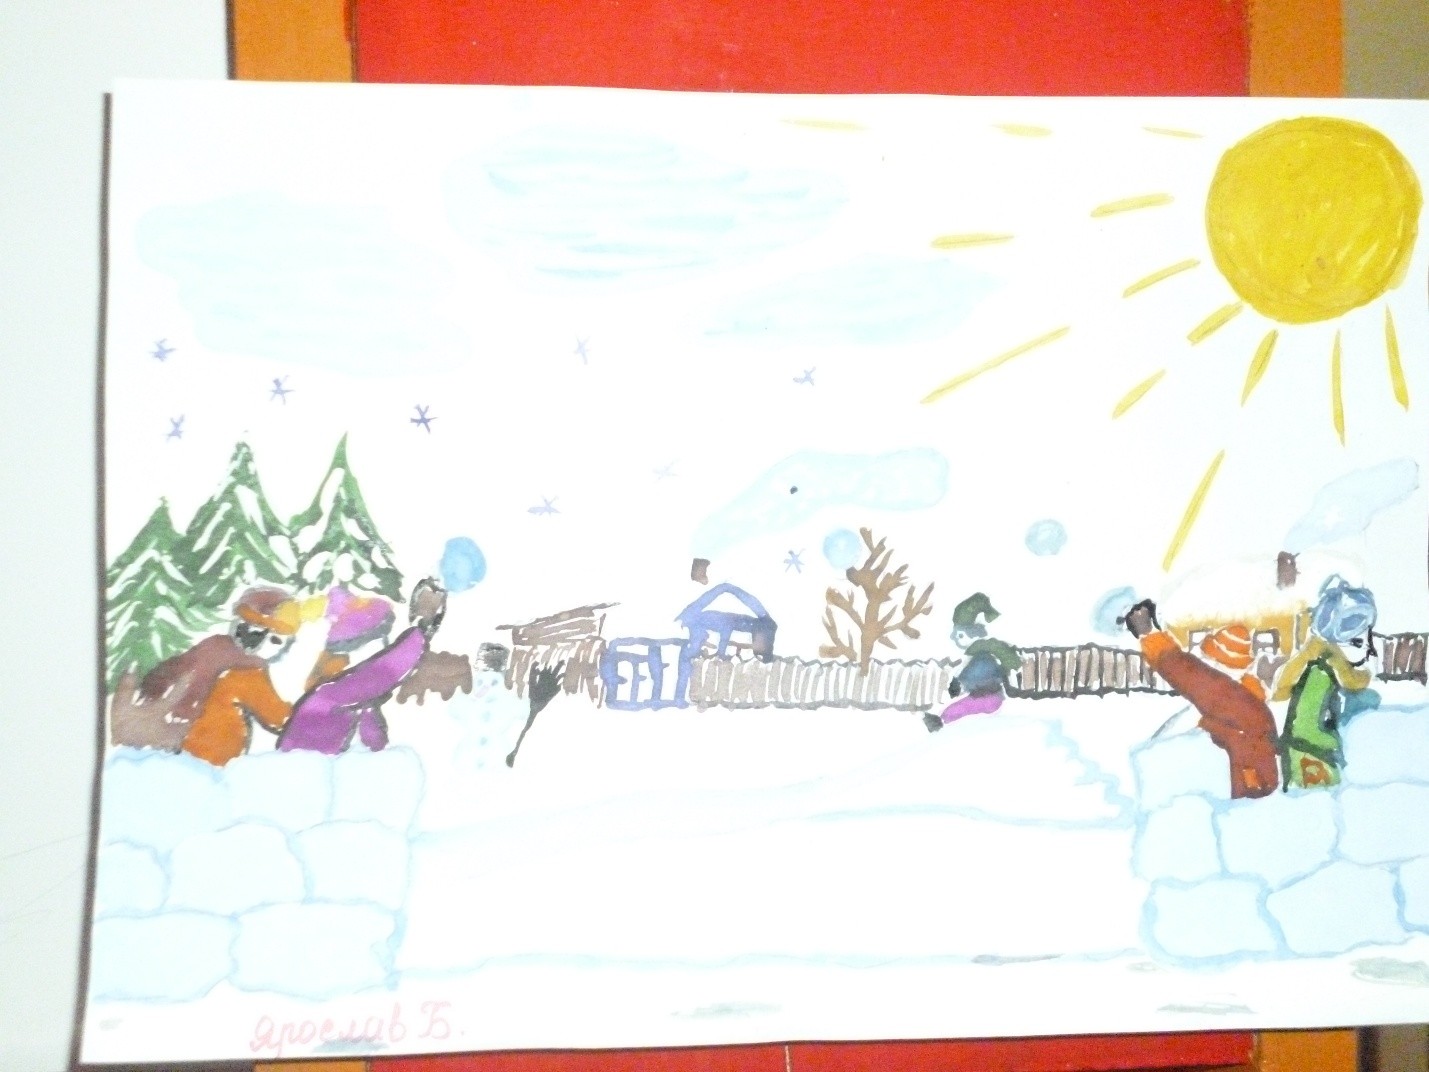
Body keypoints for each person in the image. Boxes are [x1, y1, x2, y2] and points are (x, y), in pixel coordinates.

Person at [1124, 600, 1279, 798]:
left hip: (1248, 791)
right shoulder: (1248, 701)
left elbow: (1185, 673)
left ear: (1219, 665)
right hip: (1253, 784)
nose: (1203, 662)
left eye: (1208, 660)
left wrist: (1148, 633)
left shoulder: (1227, 696)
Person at [136, 586, 305, 766]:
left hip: (174, 743)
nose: (280, 649)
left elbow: (167, 672)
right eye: (276, 639)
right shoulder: (247, 670)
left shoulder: (212, 646)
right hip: (211, 755)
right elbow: (278, 718)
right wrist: (311, 711)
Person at [277, 578, 446, 755]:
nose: (384, 645)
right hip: (308, 762)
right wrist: (420, 634)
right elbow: (385, 672)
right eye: (380, 633)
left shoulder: (341, 694)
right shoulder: (334, 693)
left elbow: (371, 734)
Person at [1272, 576, 1379, 790]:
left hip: (1310, 752)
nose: (1368, 648)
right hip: (1310, 756)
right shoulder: (1321, 671)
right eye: (1356, 640)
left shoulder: (1326, 665)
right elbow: (1305, 727)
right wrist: (1338, 742)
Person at [924, 592, 1021, 731]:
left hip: (989, 698)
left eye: (960, 635)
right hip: (981, 696)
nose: (956, 640)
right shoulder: (976, 655)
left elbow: (978, 676)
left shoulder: (983, 658)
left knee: (963, 707)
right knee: (961, 706)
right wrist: (957, 682)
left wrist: (959, 682)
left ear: (973, 633)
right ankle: (940, 720)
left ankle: (940, 721)